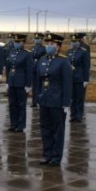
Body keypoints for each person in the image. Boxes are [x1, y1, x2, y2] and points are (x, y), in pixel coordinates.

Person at [35, 33, 71, 166]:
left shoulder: (63, 61)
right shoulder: (42, 59)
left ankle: (56, 156)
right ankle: (47, 154)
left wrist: (66, 103)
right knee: (45, 128)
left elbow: (67, 84)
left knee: (57, 129)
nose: (49, 46)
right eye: (48, 44)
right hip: (44, 99)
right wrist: (38, 97)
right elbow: (39, 81)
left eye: (52, 44)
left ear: (58, 46)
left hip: (57, 100)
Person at [6, 33, 33, 132]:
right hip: (12, 81)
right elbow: (9, 67)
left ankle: (21, 125)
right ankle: (13, 124)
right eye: (15, 41)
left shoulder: (27, 54)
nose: (15, 43)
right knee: (12, 104)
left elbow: (29, 70)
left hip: (21, 82)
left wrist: (28, 84)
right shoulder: (11, 52)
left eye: (18, 42)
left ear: (22, 42)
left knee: (21, 105)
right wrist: (7, 82)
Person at [66, 34, 90, 123]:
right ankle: (72, 115)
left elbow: (86, 66)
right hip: (71, 78)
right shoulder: (69, 52)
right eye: (72, 42)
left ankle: (79, 115)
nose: (73, 43)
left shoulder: (83, 52)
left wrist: (86, 79)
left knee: (79, 98)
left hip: (80, 78)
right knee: (72, 98)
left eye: (75, 41)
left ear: (79, 42)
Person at [30, 32, 46, 107]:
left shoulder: (43, 48)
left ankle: (40, 100)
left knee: (40, 85)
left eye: (38, 39)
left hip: (40, 67)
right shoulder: (33, 48)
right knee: (34, 86)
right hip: (33, 68)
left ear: (41, 39)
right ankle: (34, 101)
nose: (36, 40)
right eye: (35, 39)